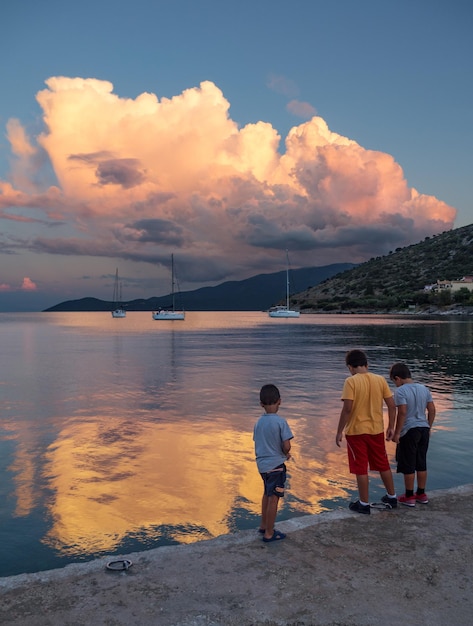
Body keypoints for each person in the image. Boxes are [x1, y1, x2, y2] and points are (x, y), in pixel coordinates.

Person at [336, 349, 397, 514]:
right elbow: (392, 405)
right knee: (383, 463)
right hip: (376, 430)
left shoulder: (351, 382)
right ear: (366, 364)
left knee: (360, 467)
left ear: (350, 367)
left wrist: (339, 431)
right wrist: (391, 427)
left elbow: (347, 409)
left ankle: (363, 504)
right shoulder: (380, 380)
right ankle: (392, 496)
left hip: (356, 432)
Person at [389, 362, 436, 506]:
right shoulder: (424, 388)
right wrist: (429, 427)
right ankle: (421, 494)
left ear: (397, 378)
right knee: (421, 462)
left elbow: (402, 412)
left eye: (394, 381)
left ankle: (409, 496)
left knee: (408, 463)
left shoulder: (401, 391)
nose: (395, 385)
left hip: (409, 430)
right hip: (423, 429)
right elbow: (432, 410)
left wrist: (397, 433)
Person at [253, 384, 293, 542]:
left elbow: (259, 442)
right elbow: (286, 445)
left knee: (266, 494)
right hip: (276, 466)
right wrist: (286, 453)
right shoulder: (281, 422)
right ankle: (270, 532)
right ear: (280, 401)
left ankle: (263, 525)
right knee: (274, 498)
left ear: (261, 404)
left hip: (262, 466)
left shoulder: (258, 423)